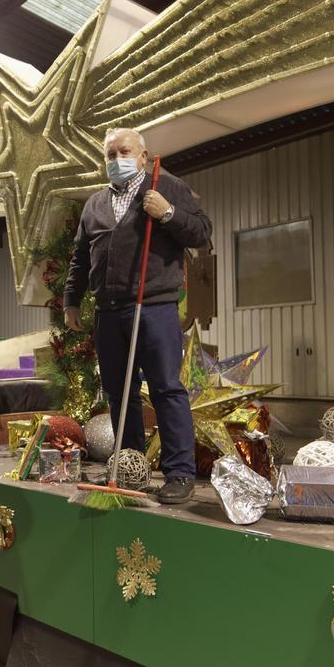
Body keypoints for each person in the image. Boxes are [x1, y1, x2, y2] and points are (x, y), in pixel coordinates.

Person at [63, 128, 213, 504]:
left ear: (144, 155)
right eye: (110, 155)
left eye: (124, 151)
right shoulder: (94, 204)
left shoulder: (167, 186)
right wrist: (71, 300)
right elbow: (81, 258)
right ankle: (132, 466)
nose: (117, 160)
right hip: (109, 312)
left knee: (166, 389)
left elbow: (201, 233)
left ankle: (179, 473)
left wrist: (168, 214)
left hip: (155, 306)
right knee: (118, 394)